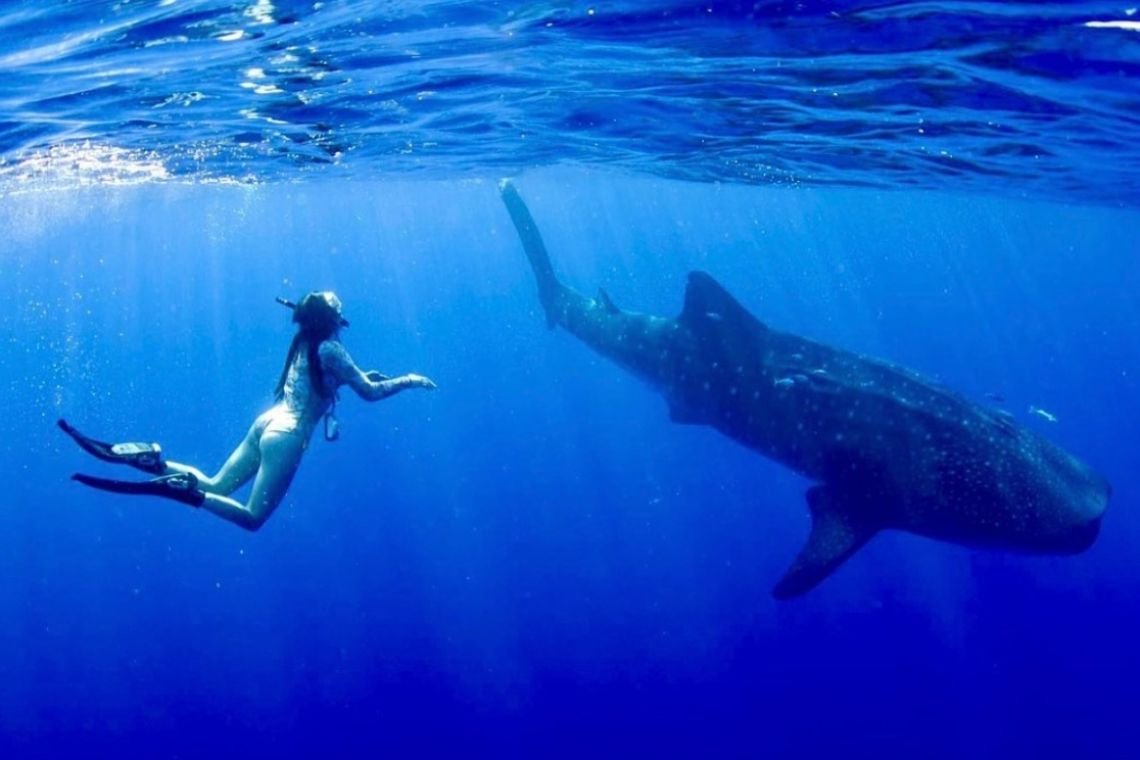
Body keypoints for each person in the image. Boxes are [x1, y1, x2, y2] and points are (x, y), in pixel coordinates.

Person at [60, 291, 436, 530]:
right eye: (339, 313)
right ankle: (184, 494)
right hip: (287, 438)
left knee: (216, 483)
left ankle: (154, 460)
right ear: (331, 320)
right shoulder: (331, 348)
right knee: (253, 517)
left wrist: (353, 377)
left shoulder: (304, 340)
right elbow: (369, 393)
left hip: (268, 422)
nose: (342, 318)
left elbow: (323, 380)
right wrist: (409, 379)